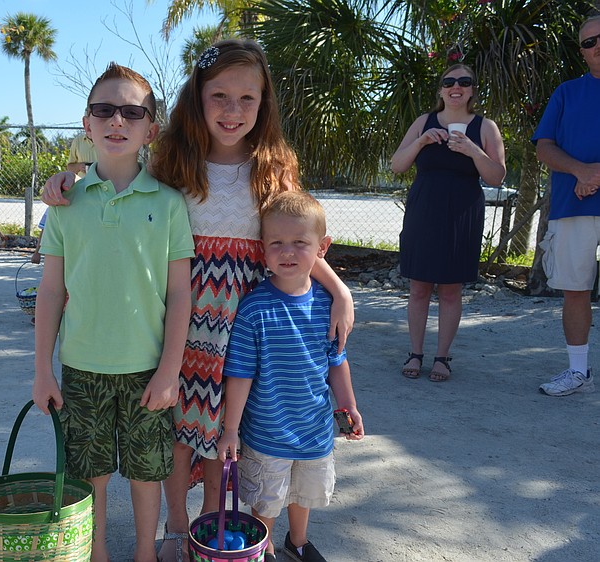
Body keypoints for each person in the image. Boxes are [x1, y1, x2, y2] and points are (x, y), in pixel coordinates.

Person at [42, 39, 355, 562]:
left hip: (246, 311)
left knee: (227, 424)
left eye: (247, 98)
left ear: (264, 103)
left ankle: (212, 525)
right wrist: (69, 176)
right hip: (183, 310)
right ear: (197, 98)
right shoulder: (173, 160)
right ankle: (175, 524)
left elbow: (292, 237)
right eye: (219, 96)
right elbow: (118, 171)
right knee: (180, 422)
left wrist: (338, 287)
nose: (233, 110)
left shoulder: (273, 167)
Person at [32, 62, 194, 562]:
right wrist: (42, 370)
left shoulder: (169, 204)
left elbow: (180, 295)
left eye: (132, 112)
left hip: (148, 370)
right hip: (82, 368)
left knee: (147, 474)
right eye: (104, 110)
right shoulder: (64, 203)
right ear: (87, 123)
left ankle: (146, 552)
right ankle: (96, 552)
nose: (117, 120)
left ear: (151, 129)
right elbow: (51, 291)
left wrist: (170, 371)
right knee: (90, 475)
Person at [217, 191, 364, 562]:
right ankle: (262, 548)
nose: (287, 252)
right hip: (268, 431)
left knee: (303, 493)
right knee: (267, 498)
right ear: (262, 248)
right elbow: (240, 374)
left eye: (300, 242)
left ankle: (297, 542)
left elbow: (337, 361)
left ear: (322, 248)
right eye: (277, 243)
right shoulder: (253, 307)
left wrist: (348, 405)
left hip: (315, 429)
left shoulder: (328, 306)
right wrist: (231, 429)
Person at [390, 64, 505, 382]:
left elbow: (496, 176)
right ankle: (415, 353)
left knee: (451, 289)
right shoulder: (423, 122)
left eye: (464, 82)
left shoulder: (485, 127)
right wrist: (421, 142)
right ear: (441, 89)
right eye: (450, 81)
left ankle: (442, 358)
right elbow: (397, 165)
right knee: (418, 287)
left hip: (461, 214)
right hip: (423, 211)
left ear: (472, 90)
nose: (457, 86)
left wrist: (473, 150)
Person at [533, 15, 600, 397]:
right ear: (582, 52)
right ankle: (578, 373)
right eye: (589, 42)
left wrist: (594, 174)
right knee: (575, 290)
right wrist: (580, 171)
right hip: (572, 206)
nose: (596, 46)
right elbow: (544, 147)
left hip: (584, 192)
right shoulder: (566, 92)